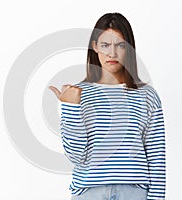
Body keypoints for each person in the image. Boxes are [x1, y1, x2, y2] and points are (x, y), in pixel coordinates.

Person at [49, 12, 166, 200]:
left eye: (120, 45)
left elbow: (156, 157)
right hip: (89, 192)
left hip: (134, 193)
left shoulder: (147, 96)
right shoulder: (77, 94)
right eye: (105, 45)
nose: (112, 53)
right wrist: (71, 107)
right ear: (94, 46)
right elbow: (76, 156)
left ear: (129, 48)